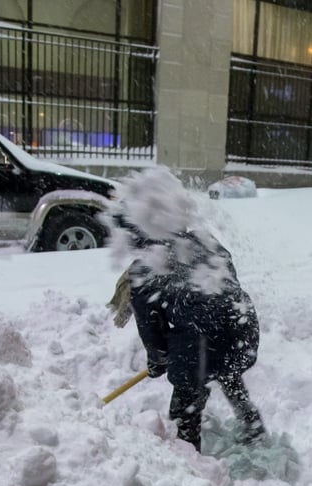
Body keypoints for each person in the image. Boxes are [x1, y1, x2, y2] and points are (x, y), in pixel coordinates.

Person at [108, 168, 265, 451]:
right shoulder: (206, 241)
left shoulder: (146, 270)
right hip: (241, 329)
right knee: (229, 375)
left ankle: (190, 460)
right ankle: (252, 425)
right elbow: (226, 287)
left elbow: (150, 328)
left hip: (198, 346)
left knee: (186, 403)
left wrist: (158, 359)